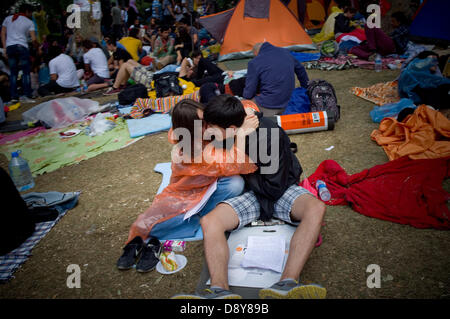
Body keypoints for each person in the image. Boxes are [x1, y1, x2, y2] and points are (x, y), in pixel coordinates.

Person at [172, 94, 327, 299]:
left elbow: (273, 188)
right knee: (210, 221)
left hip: (277, 191)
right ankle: (219, 290)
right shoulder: (226, 130)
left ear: (233, 128)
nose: (208, 131)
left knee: (316, 208)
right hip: (252, 192)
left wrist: (242, 160)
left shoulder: (269, 134)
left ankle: (286, 284)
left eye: (213, 128)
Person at [116, 99, 257, 272]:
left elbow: (243, 103)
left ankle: (199, 217)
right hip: (183, 194)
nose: (209, 125)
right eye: (203, 124)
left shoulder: (194, 130)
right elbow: (235, 163)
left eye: (206, 120)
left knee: (235, 183)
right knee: (148, 226)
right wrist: (240, 133)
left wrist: (248, 113)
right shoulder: (191, 151)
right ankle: (195, 220)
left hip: (210, 186)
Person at [242, 42, 309, 116]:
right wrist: (306, 88)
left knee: (243, 106)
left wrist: (245, 99)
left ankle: (266, 122)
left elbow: (249, 91)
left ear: (256, 52)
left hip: (268, 105)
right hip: (288, 101)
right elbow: (301, 70)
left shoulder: (254, 62)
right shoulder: (285, 52)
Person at [1, 3, 38, 103]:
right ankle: (27, 94)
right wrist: (37, 47)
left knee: (13, 72)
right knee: (26, 72)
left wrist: (5, 48)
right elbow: (34, 39)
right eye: (31, 13)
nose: (31, 15)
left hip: (10, 47)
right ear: (27, 12)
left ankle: (14, 96)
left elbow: (2, 33)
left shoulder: (8, 19)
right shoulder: (29, 22)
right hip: (22, 47)